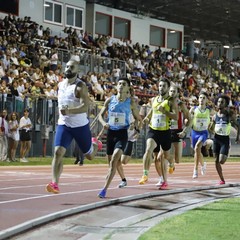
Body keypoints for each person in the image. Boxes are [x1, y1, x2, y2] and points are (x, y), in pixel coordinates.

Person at [46, 60, 102, 194]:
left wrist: (70, 111)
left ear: (77, 71)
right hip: (64, 124)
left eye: (72, 67)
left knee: (89, 156)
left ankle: (94, 144)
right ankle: (54, 183)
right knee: (58, 152)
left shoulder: (80, 86)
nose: (68, 69)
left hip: (80, 126)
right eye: (67, 66)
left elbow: (85, 106)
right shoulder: (60, 85)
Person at [97, 77, 142, 198]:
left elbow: (139, 118)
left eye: (124, 84)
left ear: (128, 88)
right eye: (119, 84)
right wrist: (103, 123)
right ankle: (114, 182)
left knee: (115, 160)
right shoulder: (109, 100)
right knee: (111, 164)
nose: (121, 86)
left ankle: (104, 189)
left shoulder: (130, 102)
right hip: (111, 133)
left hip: (122, 133)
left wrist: (137, 128)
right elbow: (100, 115)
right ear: (117, 86)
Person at [139, 78, 178, 189]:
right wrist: (146, 119)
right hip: (153, 130)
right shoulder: (154, 99)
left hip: (165, 132)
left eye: (164, 86)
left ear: (168, 88)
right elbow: (152, 111)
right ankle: (145, 174)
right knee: (148, 149)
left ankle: (172, 162)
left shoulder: (171, 101)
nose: (161, 88)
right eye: (160, 86)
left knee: (166, 156)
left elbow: (175, 116)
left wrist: (165, 111)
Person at [155, 84, 191, 186]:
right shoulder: (164, 102)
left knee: (178, 160)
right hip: (166, 130)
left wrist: (184, 131)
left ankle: (172, 162)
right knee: (160, 157)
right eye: (170, 91)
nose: (172, 93)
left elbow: (190, 118)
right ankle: (164, 180)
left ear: (178, 93)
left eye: (174, 91)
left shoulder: (180, 104)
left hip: (178, 132)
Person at [209, 95, 239, 184]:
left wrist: (238, 137)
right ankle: (222, 179)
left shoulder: (229, 115)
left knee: (221, 161)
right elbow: (211, 128)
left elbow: (238, 126)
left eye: (222, 102)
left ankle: (226, 150)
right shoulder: (214, 116)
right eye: (218, 102)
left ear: (225, 104)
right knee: (216, 160)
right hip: (216, 139)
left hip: (225, 140)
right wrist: (210, 127)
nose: (219, 103)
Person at [189, 91, 211, 178]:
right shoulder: (193, 109)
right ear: (198, 99)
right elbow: (187, 119)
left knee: (198, 147)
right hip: (194, 132)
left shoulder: (209, 110)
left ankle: (195, 170)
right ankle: (203, 164)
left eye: (204, 98)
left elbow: (215, 118)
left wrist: (213, 122)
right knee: (197, 151)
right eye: (200, 98)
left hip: (203, 132)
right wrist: (186, 120)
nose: (201, 99)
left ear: (207, 100)